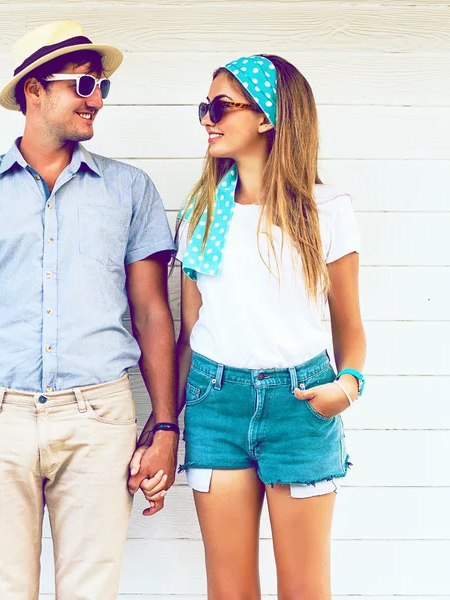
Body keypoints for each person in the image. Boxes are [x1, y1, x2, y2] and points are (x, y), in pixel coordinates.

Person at [0, 20, 179, 600]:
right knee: (3, 590)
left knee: (93, 591)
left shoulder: (130, 190)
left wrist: (164, 425)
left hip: (99, 416)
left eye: (102, 88)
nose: (97, 100)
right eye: (83, 86)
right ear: (34, 92)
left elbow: (153, 313)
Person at [132, 55, 367, 599]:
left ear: (268, 116)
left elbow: (349, 325)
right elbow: (191, 332)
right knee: (229, 590)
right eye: (204, 108)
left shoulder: (324, 209)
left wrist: (348, 386)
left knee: (306, 590)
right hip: (216, 402)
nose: (207, 120)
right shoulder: (202, 213)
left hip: (302, 403)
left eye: (220, 107)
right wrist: (164, 424)